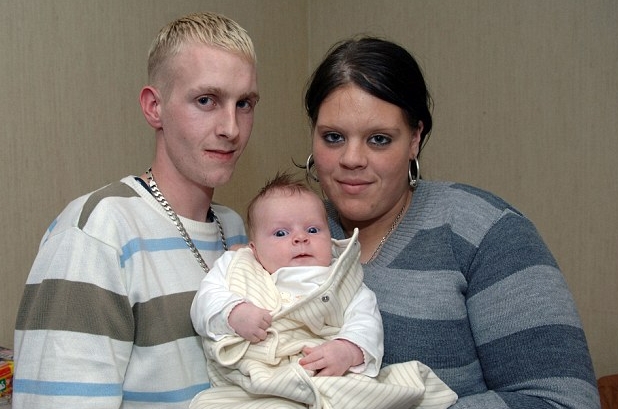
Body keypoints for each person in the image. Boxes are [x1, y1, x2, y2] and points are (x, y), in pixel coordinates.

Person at [301, 36, 601, 409]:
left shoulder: (487, 233)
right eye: (333, 137)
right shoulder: (290, 232)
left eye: (378, 139)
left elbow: (565, 401)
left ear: (415, 139)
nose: (351, 158)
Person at [12, 12, 259, 409]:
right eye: (206, 100)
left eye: (244, 103)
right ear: (154, 107)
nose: (231, 128)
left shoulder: (235, 230)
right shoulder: (97, 232)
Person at [189, 173, 457, 409]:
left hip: (325, 373)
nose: (300, 238)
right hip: (261, 380)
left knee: (383, 392)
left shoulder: (342, 278)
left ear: (330, 239)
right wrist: (234, 313)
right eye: (281, 233)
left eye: (313, 229)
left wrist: (348, 349)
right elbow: (206, 299)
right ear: (254, 249)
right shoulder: (239, 266)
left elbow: (365, 320)